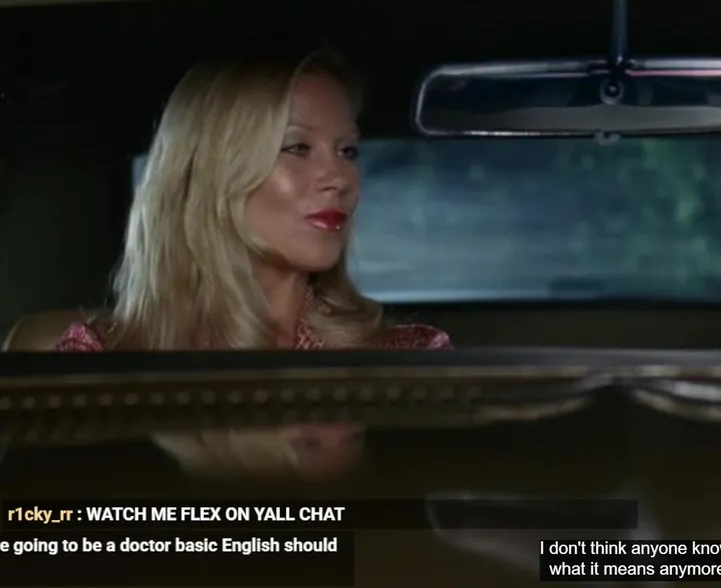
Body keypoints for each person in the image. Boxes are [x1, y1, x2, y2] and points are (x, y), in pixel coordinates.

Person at [53, 43, 453, 478]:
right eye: (297, 147)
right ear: (213, 171)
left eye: (348, 151)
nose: (339, 178)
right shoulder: (100, 364)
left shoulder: (408, 359)